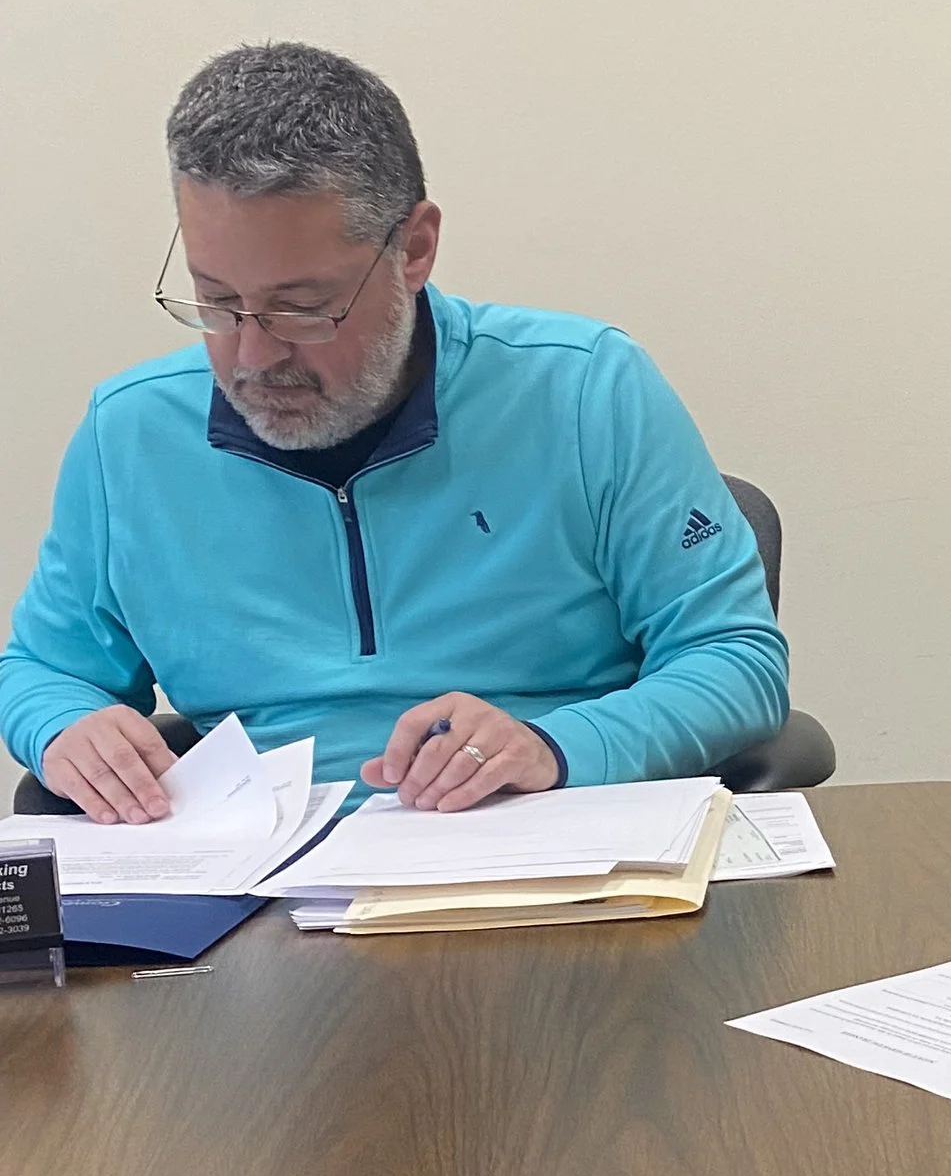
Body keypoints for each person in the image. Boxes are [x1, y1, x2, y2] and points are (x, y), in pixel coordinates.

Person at [1, 42, 789, 818]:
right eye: (215, 301)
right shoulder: (128, 435)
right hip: (256, 895)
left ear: (413, 248)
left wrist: (556, 745)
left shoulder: (586, 390)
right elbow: (42, 668)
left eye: (302, 306)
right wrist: (65, 726)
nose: (251, 354)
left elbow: (736, 662)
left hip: (541, 859)